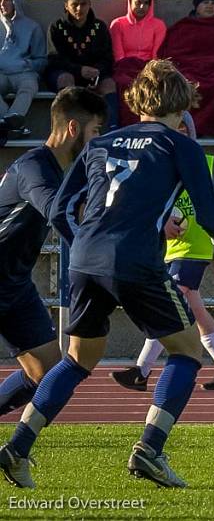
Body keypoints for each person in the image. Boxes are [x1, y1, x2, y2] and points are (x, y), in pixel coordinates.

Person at [0, 59, 214, 490]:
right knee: (188, 351)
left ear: (138, 100)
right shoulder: (181, 146)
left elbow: (62, 207)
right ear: (184, 102)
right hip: (136, 260)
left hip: (83, 259)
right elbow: (210, 217)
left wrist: (85, 244)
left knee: (77, 360)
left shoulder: (105, 143)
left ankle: (18, 447)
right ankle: (149, 450)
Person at [110, 112, 214, 393]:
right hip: (170, 248)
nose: (182, 133)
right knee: (193, 309)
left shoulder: (206, 163)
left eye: (186, 129)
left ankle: (142, 369)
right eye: (178, 128)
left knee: (172, 301)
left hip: (195, 246)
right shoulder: (160, 162)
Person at [0, 88, 106, 419]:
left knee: (46, 373)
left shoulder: (71, 172)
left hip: (15, 285)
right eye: (96, 132)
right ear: (73, 129)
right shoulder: (33, 167)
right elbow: (58, 211)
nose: (98, 141)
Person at [159, 0, 214, 137]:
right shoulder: (182, 27)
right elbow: (171, 54)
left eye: (213, 3)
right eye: (205, 2)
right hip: (189, 69)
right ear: (197, 6)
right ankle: (187, 130)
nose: (210, 6)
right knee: (185, 83)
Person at [45, 0, 118, 130]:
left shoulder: (99, 27)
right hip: (64, 73)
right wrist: (79, 70)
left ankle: (113, 129)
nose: (79, 9)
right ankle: (69, 128)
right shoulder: (57, 27)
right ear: (66, 6)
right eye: (74, 5)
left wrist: (96, 73)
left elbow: (107, 57)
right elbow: (55, 59)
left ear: (90, 4)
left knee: (109, 84)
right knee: (66, 79)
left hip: (94, 74)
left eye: (83, 4)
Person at [111, 0, 167, 127]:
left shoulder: (158, 25)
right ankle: (123, 125)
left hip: (147, 67)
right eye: (138, 2)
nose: (142, 7)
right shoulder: (118, 24)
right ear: (130, 2)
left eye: (146, 3)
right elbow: (119, 55)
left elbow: (156, 54)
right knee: (124, 83)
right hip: (124, 67)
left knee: (150, 84)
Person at [0, 0, 47, 134]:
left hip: (24, 72)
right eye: (0, 0)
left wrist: (26, 64)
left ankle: (12, 118)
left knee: (29, 86)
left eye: (7, 0)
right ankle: (10, 121)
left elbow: (41, 59)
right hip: (1, 73)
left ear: (16, 1)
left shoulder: (32, 27)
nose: (2, 4)